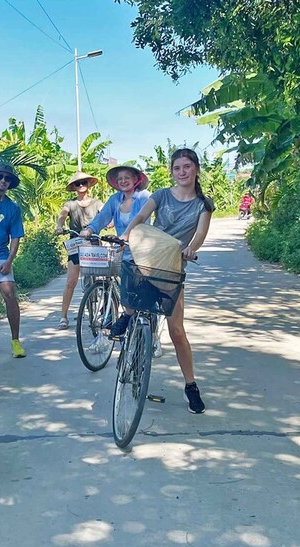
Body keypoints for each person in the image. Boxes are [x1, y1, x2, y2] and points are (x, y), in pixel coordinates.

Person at [119, 148, 214, 414]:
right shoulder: (161, 195)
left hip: (172, 267)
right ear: (172, 171)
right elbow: (140, 217)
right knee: (130, 283)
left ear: (196, 169)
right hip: (147, 257)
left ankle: (191, 385)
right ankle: (126, 317)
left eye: (186, 167)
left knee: (177, 331)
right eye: (177, 168)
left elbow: (200, 234)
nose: (182, 172)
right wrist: (128, 232)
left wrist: (192, 248)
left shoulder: (203, 205)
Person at [0, 162, 27, 358]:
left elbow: (16, 236)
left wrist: (9, 260)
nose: (3, 181)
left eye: (7, 178)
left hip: (1, 255)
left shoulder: (12, 208)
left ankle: (15, 341)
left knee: (9, 294)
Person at [55, 170, 104, 329]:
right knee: (71, 281)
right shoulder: (70, 204)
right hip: (76, 243)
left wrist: (109, 222)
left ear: (89, 184)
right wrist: (59, 226)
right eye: (78, 183)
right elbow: (62, 215)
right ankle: (63, 316)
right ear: (74, 187)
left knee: (98, 280)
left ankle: (97, 312)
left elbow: (106, 215)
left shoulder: (97, 203)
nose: (81, 185)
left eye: (84, 182)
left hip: (94, 243)